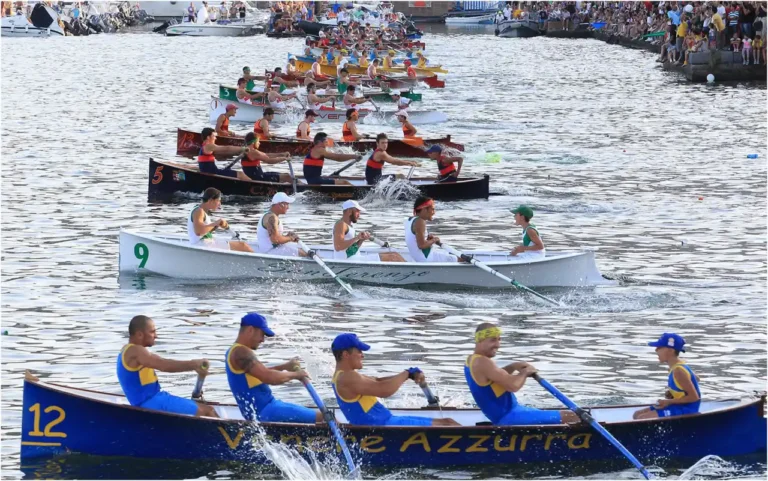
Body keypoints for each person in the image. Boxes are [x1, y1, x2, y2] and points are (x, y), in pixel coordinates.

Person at [331, 333, 459, 426]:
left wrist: (409, 375)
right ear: (345, 354)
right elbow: (384, 390)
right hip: (383, 426)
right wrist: (406, 373)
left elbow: (378, 381)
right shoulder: (347, 377)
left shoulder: (344, 375)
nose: (362, 355)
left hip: (387, 421)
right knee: (448, 424)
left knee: (448, 422)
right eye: (359, 351)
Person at [465, 322, 579, 425]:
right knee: (570, 416)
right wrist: (525, 373)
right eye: (493, 340)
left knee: (563, 414)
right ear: (479, 340)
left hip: (514, 411)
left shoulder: (472, 360)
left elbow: (496, 377)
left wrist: (513, 366)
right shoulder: (482, 362)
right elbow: (513, 386)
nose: (498, 345)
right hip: (509, 417)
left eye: (499, 339)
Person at [226, 312, 321, 423]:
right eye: (262, 334)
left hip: (269, 408)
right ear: (250, 330)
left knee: (320, 416)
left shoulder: (236, 351)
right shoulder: (240, 353)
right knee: (323, 418)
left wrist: (285, 367)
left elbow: (262, 374)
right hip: (267, 411)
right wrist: (297, 375)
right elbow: (269, 378)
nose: (263, 340)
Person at [117, 315, 216, 417]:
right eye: (152, 332)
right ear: (139, 334)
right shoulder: (135, 351)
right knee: (208, 411)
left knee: (201, 407)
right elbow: (164, 365)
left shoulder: (131, 351)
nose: (156, 336)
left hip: (155, 399)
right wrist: (194, 364)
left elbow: (161, 361)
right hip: (151, 402)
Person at [633, 333, 701, 420]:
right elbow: (696, 378)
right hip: (677, 406)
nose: (656, 350)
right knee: (637, 414)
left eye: (659, 347)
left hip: (687, 410)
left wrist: (668, 401)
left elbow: (694, 397)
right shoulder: (676, 366)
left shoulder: (678, 371)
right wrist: (673, 393)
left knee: (642, 417)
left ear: (670, 350)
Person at [333, 200, 406, 262]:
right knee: (393, 257)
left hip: (354, 259)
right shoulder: (341, 225)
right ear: (349, 211)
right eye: (357, 211)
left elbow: (351, 250)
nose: (359, 215)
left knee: (394, 254)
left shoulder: (348, 226)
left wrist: (361, 240)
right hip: (350, 261)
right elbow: (338, 246)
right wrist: (357, 238)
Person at [189, 187, 254, 252]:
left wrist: (216, 225)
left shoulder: (201, 211)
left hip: (205, 243)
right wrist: (216, 223)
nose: (220, 204)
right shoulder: (199, 211)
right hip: (203, 244)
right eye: (218, 200)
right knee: (243, 245)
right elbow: (199, 232)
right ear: (211, 200)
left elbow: (203, 231)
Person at [404, 196, 461, 263]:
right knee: (460, 259)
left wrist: (428, 240)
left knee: (453, 255)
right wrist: (434, 240)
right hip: (426, 259)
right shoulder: (420, 221)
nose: (434, 212)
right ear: (425, 209)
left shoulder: (409, 220)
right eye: (432, 209)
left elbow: (415, 242)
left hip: (422, 257)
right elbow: (421, 245)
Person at [256, 192, 308, 257]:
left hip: (272, 249)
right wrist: (290, 238)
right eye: (287, 204)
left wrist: (287, 236)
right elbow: (276, 239)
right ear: (280, 204)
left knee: (301, 249)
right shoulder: (272, 217)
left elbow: (275, 238)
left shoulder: (270, 215)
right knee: (302, 253)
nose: (288, 207)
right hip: (269, 252)